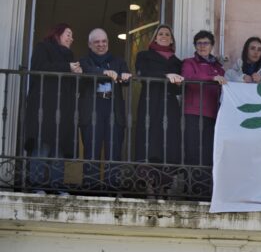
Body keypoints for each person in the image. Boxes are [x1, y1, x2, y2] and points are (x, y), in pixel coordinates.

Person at [25, 23, 82, 193]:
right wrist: (67, 68)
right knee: (42, 145)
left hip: (63, 109)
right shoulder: (43, 48)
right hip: (44, 106)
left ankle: (56, 185)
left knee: (59, 147)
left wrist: (77, 75)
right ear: (57, 34)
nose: (72, 38)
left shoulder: (69, 55)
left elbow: (69, 85)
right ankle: (36, 185)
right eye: (68, 34)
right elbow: (39, 68)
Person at [78, 28, 131, 191]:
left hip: (113, 107)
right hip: (92, 107)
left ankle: (111, 188)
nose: (101, 45)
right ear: (90, 44)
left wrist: (126, 76)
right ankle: (90, 188)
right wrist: (105, 72)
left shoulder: (118, 60)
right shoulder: (84, 61)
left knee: (114, 148)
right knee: (91, 148)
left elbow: (126, 79)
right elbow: (87, 71)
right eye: (97, 42)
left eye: (104, 41)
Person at [134, 24, 184, 177]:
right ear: (155, 37)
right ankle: (147, 183)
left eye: (167, 34)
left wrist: (179, 84)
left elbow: (178, 90)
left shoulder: (177, 62)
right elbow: (143, 74)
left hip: (169, 105)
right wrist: (165, 76)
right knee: (149, 141)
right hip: (150, 103)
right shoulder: (144, 56)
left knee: (169, 141)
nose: (164, 36)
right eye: (160, 34)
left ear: (171, 40)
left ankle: (165, 185)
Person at [181, 30, 225, 197]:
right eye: (199, 43)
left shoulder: (218, 67)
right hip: (192, 113)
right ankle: (190, 190)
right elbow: (188, 79)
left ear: (212, 46)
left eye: (206, 43)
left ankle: (205, 190)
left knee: (208, 153)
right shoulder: (188, 62)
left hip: (212, 114)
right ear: (195, 46)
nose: (202, 46)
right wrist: (211, 79)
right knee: (192, 152)